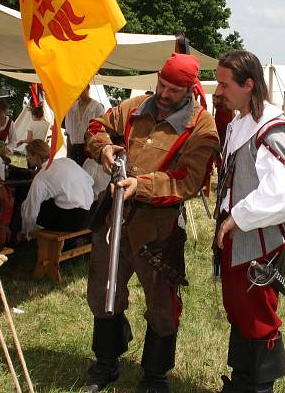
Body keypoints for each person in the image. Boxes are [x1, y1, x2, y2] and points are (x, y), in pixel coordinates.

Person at [82, 53, 219, 393]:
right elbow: (96, 127)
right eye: (161, 84)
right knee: (102, 294)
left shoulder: (202, 127)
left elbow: (187, 179)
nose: (163, 93)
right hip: (113, 220)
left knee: (162, 306)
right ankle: (106, 363)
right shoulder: (135, 107)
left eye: (173, 90)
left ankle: (155, 377)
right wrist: (104, 150)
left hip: (158, 231)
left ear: (189, 90)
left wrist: (140, 185)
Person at [212, 50, 285, 393]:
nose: (219, 90)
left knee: (258, 317)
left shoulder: (271, 126)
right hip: (238, 237)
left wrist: (238, 217)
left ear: (248, 84)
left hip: (258, 242)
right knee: (239, 311)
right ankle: (241, 383)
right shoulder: (241, 121)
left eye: (225, 84)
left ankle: (260, 389)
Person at [19, 139, 95, 236]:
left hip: (71, 222)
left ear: (35, 155)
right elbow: (90, 181)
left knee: (30, 202)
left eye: (28, 155)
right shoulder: (67, 161)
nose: (27, 159)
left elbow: (31, 209)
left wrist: (26, 232)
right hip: (88, 215)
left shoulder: (42, 176)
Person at [65, 85, 105, 166]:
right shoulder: (71, 109)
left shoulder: (97, 108)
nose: (79, 91)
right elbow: (69, 135)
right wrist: (68, 156)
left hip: (90, 153)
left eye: (82, 88)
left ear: (88, 87)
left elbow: (101, 134)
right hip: (74, 151)